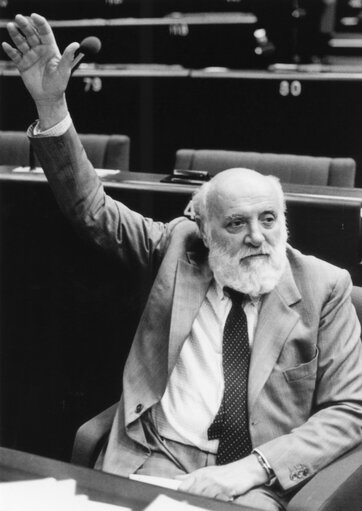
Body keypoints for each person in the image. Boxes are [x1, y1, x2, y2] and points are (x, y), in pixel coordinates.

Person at [3, 13, 362, 511]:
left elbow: (350, 409)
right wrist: (50, 103)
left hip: (255, 481)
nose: (257, 237)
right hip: (153, 460)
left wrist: (249, 471)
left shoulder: (326, 287)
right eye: (236, 224)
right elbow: (92, 209)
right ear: (204, 228)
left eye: (269, 219)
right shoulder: (177, 248)